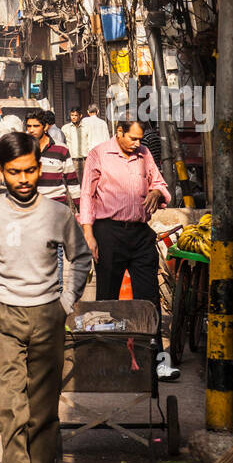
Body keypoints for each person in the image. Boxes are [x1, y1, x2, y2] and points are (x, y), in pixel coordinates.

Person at [0, 132, 91, 463]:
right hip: (5, 323)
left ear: (38, 168)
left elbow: (82, 259)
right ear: (1, 171)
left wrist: (64, 304)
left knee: (43, 414)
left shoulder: (58, 214)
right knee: (12, 412)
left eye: (30, 170)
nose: (23, 179)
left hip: (49, 318)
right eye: (15, 172)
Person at [79, 120, 178, 380]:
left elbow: (161, 185)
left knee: (150, 299)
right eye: (133, 138)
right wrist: (89, 234)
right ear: (119, 132)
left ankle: (158, 361)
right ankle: (106, 359)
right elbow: (86, 196)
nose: (137, 144)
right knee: (107, 297)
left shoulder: (144, 154)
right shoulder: (98, 154)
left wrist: (157, 192)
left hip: (140, 234)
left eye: (140, 139)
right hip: (108, 232)